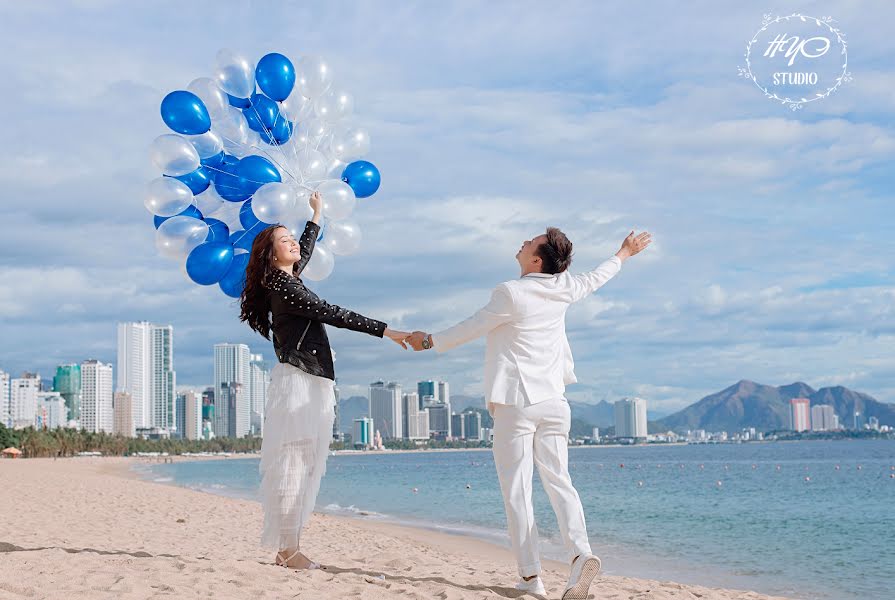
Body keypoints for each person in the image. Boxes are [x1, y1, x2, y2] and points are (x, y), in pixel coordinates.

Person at [407, 227, 651, 599]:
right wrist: (623, 253)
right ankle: (580, 554)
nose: (522, 242)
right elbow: (597, 278)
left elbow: (471, 326)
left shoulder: (510, 292)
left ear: (536, 260)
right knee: (560, 481)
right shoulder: (564, 287)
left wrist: (430, 341)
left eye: (529, 242)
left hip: (517, 403)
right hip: (555, 401)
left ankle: (529, 578)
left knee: (517, 491)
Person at [240, 191, 410, 570]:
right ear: (272, 255)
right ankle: (288, 550)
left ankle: (290, 547)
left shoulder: (286, 279)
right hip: (301, 380)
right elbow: (332, 313)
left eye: (290, 238)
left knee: (305, 463)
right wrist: (388, 331)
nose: (292, 244)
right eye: (283, 241)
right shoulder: (285, 288)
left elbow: (304, 250)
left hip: (308, 378)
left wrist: (316, 217)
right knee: (296, 465)